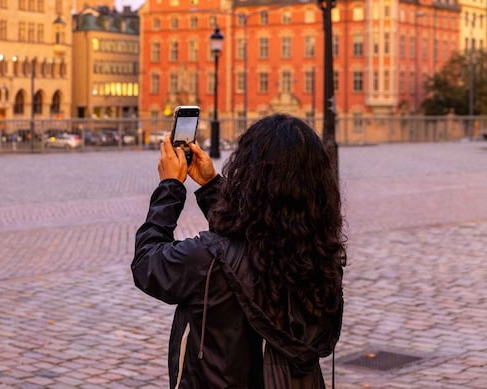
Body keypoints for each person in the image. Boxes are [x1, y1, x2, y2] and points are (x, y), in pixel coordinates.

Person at [131, 113, 346, 388]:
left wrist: (170, 187)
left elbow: (148, 263)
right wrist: (211, 187)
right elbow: (254, 234)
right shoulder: (317, 257)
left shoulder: (209, 259)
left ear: (248, 175)